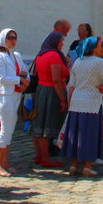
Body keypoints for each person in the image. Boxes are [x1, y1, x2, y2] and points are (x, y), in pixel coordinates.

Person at [62, 36, 103, 176]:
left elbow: (72, 86)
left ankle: (73, 165)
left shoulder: (77, 61)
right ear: (93, 48)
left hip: (76, 103)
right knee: (90, 134)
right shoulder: (99, 63)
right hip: (91, 103)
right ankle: (87, 166)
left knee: (75, 133)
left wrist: (69, 104)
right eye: (100, 46)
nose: (102, 48)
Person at [0, 28, 29, 176]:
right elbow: (1, 78)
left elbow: (24, 71)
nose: (12, 41)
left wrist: (26, 81)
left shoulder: (16, 56)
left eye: (14, 38)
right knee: (5, 129)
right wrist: (18, 80)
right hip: (5, 95)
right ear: (3, 39)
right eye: (9, 38)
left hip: (15, 94)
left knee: (11, 129)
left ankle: (5, 161)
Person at [31, 31, 69, 167]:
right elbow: (56, 80)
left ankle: (38, 155)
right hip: (51, 92)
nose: (62, 44)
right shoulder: (53, 55)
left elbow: (36, 74)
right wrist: (62, 100)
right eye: (60, 41)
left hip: (41, 90)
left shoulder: (40, 55)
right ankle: (45, 158)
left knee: (39, 124)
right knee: (46, 126)